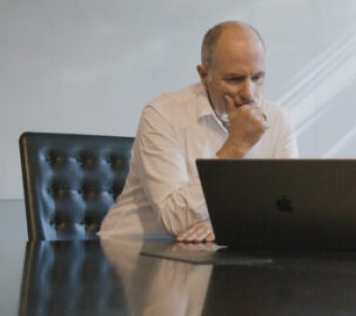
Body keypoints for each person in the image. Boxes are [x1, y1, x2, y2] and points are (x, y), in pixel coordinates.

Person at [98, 20, 298, 242]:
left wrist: (223, 226)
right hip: (131, 251)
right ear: (204, 75)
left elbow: (286, 211)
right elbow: (175, 221)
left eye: (258, 78)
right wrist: (236, 146)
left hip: (214, 251)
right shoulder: (161, 114)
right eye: (234, 79)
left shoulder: (277, 118)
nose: (249, 93)